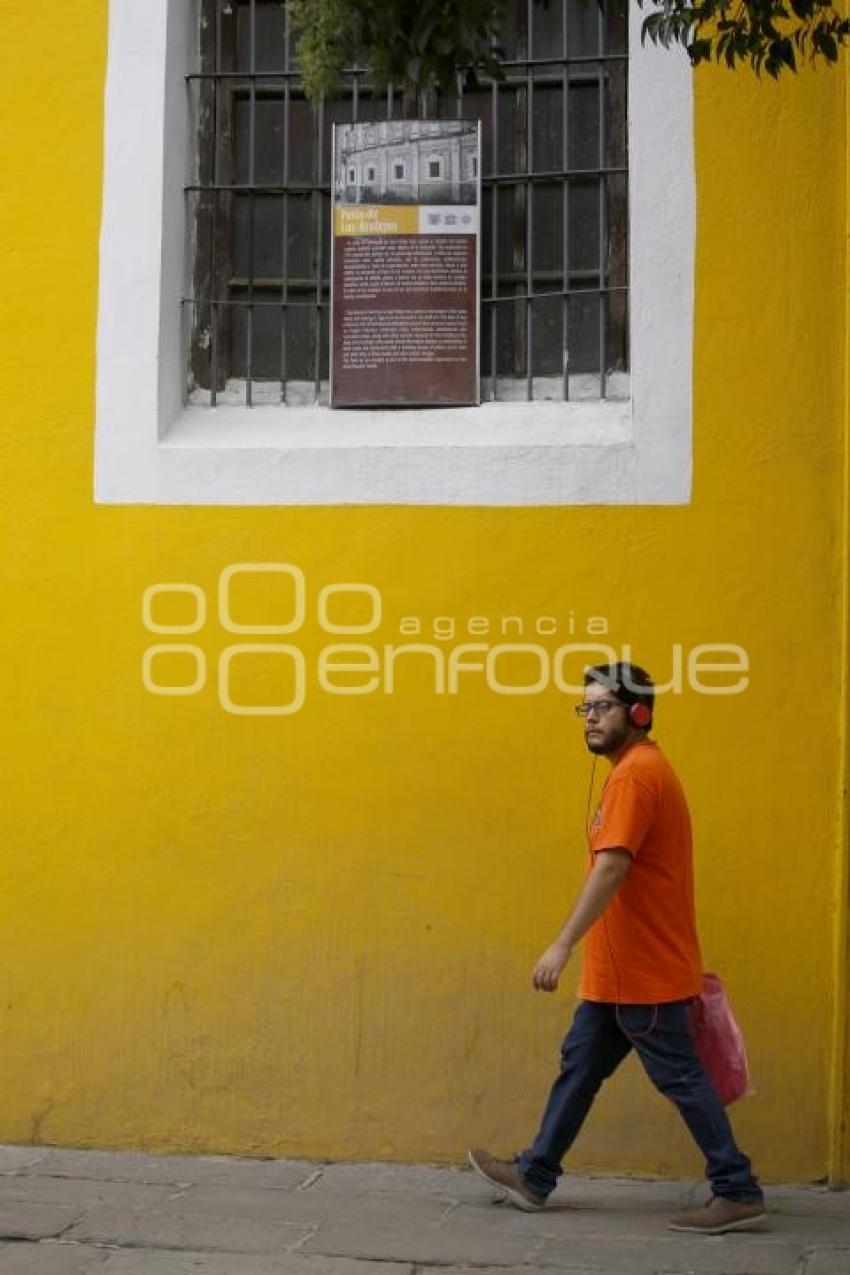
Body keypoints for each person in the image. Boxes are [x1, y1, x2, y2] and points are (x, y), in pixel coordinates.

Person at [469, 662, 766, 1235]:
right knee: (579, 1066)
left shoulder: (636, 775)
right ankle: (535, 1175)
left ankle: (738, 1188)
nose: (589, 720)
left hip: (644, 974)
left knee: (681, 1078)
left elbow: (612, 866)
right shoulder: (633, 770)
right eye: (584, 709)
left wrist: (561, 945)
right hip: (621, 974)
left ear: (639, 714)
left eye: (602, 708)